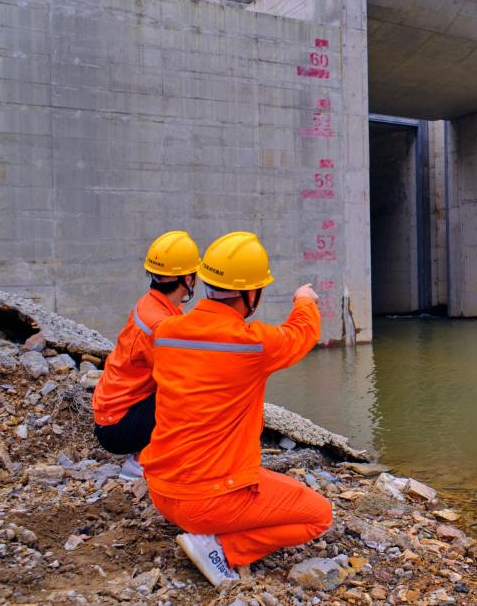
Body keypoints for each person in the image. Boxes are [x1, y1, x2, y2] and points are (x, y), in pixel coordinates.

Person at [139, 231, 329, 586]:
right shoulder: (252, 344)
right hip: (207, 501)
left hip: (162, 490)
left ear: (204, 282)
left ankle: (209, 531)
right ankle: (222, 549)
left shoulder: (165, 332)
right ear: (250, 294)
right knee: (318, 515)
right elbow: (301, 334)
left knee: (269, 483)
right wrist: (304, 300)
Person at [92, 231, 201, 478]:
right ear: (188, 278)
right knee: (193, 396)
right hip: (117, 428)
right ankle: (144, 461)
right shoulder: (158, 325)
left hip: (113, 414)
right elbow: (181, 380)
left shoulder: (153, 304)